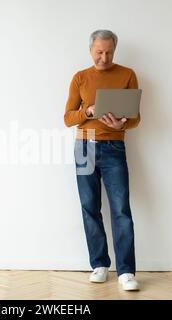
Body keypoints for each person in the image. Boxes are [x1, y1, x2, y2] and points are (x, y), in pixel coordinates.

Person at [64, 29, 141, 291]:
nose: (104, 57)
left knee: (121, 209)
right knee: (89, 207)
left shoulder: (127, 74)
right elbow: (67, 118)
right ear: (90, 50)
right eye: (99, 52)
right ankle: (99, 264)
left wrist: (122, 123)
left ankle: (126, 271)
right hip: (84, 146)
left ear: (114, 50)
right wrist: (87, 111)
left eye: (109, 52)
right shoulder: (80, 78)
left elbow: (136, 117)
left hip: (114, 146)